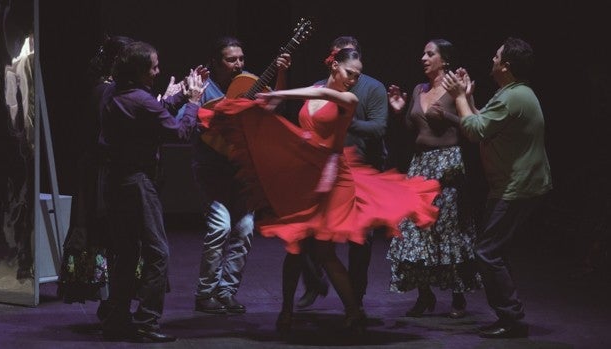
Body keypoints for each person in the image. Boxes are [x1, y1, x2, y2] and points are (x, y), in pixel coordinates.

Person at [202, 47, 441, 332]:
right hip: (307, 174)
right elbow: (288, 106)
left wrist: (280, 94)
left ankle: (350, 311)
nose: (353, 79)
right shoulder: (312, 88)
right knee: (296, 247)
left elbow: (321, 95)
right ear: (334, 66)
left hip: (333, 177)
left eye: (357, 75)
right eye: (349, 73)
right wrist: (274, 89)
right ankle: (291, 311)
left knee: (323, 250)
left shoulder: (347, 98)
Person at [442, 37, 552, 338]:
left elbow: (475, 131)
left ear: (505, 65)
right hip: (510, 185)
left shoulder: (513, 97)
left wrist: (459, 97)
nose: (491, 60)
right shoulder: (513, 93)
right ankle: (510, 315)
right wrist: (467, 98)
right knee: (494, 252)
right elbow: (484, 122)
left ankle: (512, 319)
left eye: (496, 56)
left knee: (487, 253)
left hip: (517, 187)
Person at [100, 40, 206, 342]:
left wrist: (173, 99)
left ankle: (116, 320)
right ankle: (147, 322)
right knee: (158, 253)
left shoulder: (115, 92)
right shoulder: (142, 100)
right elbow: (180, 132)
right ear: (140, 70)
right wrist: (193, 102)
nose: (159, 71)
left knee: (126, 253)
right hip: (138, 183)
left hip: (116, 181)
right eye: (154, 66)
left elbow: (145, 119)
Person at [192, 36, 292, 314]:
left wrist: (282, 72)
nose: (238, 64)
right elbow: (199, 124)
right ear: (216, 62)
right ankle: (205, 294)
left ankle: (226, 292)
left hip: (242, 170)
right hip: (212, 170)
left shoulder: (249, 83)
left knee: (245, 230)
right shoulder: (203, 87)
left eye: (241, 58)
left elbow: (276, 105)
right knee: (220, 228)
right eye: (230, 59)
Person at [386, 39, 482, 319]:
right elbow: (413, 128)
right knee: (415, 231)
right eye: (423, 53)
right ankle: (424, 295)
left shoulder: (456, 86)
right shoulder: (419, 89)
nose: (424, 58)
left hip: (447, 164)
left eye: (431, 54)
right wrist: (399, 111)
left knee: (448, 230)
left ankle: (457, 297)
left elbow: (473, 129)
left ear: (445, 60)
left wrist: (451, 113)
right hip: (420, 166)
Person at [294, 36, 390, 311]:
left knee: (359, 240)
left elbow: (379, 128)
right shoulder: (317, 87)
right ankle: (314, 282)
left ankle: (355, 298)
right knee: (308, 234)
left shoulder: (371, 88)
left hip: (360, 168)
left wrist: (345, 123)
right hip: (323, 169)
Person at [58, 35, 134, 319]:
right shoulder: (107, 90)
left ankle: (112, 300)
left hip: (97, 168)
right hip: (100, 172)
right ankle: (110, 300)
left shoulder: (108, 88)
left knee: (104, 231)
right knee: (104, 231)